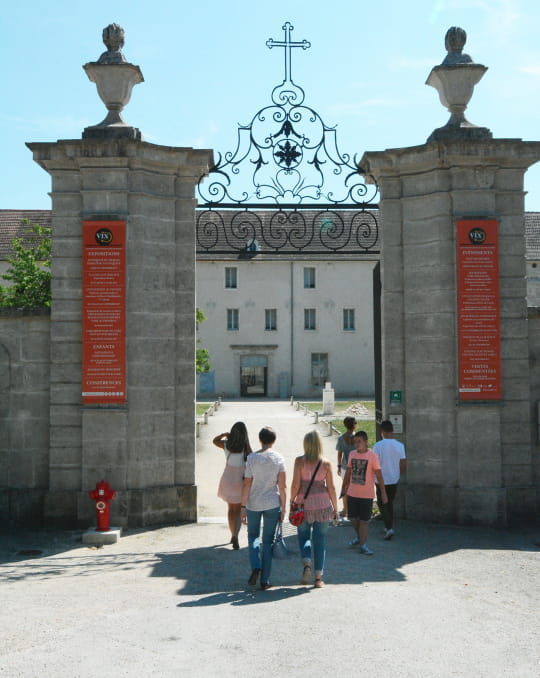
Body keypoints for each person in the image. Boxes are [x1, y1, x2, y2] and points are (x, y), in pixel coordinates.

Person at [290, 430, 339, 588]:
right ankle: (318, 578)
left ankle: (307, 564)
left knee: (303, 536)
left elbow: (295, 485)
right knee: (320, 540)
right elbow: (331, 488)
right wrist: (336, 509)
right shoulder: (326, 463)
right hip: (323, 505)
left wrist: (291, 501)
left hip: (303, 504)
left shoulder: (299, 461)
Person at [240, 427, 286, 590]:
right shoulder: (279, 458)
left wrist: (243, 506)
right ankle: (265, 580)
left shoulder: (251, 458)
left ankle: (255, 565)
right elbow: (282, 486)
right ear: (274, 441)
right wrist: (284, 508)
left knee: (253, 535)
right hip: (272, 503)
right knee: (268, 541)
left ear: (260, 440)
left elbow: (247, 483)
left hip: (253, 503)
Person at [342, 431, 387, 555]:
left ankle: (363, 545)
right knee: (353, 519)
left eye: (359, 441)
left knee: (364, 521)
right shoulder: (352, 454)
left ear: (366, 442)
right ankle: (360, 538)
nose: (357, 444)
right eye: (355, 442)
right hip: (352, 493)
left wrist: (383, 493)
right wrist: (344, 487)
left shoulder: (372, 456)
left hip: (367, 495)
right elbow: (348, 472)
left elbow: (379, 475)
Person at [213, 422, 253, 549]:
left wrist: (224, 434)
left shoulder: (226, 444)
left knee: (230, 509)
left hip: (228, 479)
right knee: (239, 510)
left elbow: (214, 441)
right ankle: (236, 534)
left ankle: (232, 534)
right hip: (240, 480)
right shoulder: (245, 446)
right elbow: (252, 457)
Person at [373, 420, 407, 540]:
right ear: (392, 431)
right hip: (393, 478)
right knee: (389, 502)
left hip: (380, 479)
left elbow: (374, 463)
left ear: (382, 431)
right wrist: (398, 473)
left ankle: (389, 528)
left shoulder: (378, 445)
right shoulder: (400, 445)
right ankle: (388, 525)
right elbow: (404, 463)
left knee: (382, 503)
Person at [335, 416, 356, 518]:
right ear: (354, 425)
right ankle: (354, 510)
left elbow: (339, 454)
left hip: (345, 466)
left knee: (345, 488)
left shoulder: (341, 438)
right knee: (356, 488)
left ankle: (345, 510)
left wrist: (339, 466)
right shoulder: (358, 437)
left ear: (345, 425)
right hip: (356, 466)